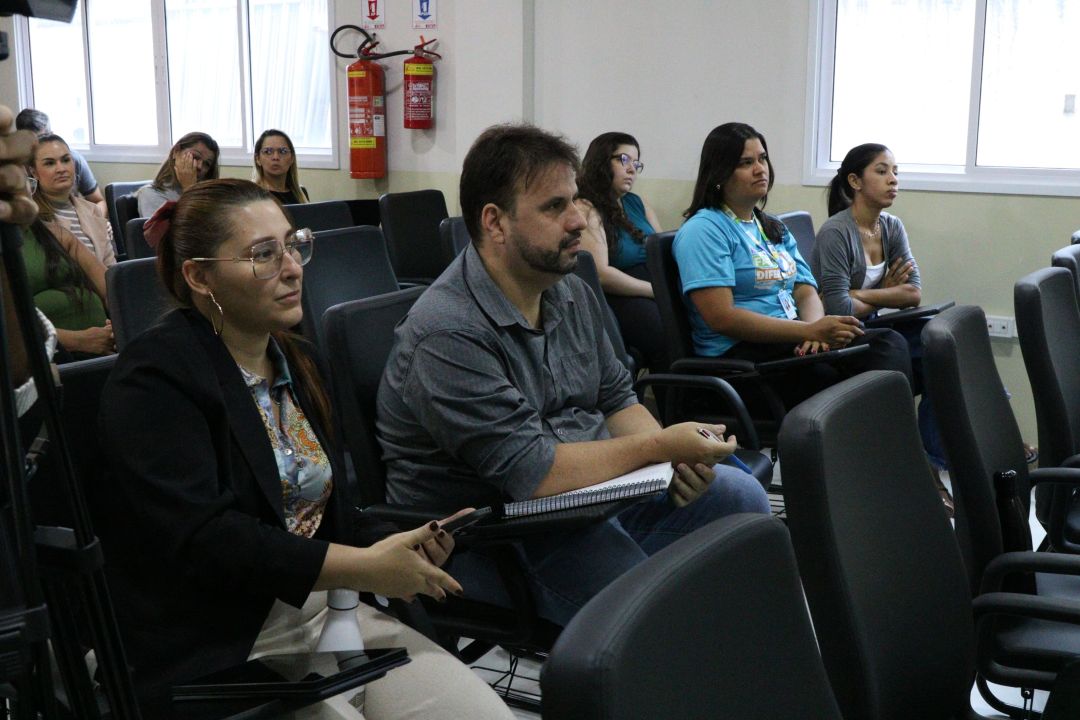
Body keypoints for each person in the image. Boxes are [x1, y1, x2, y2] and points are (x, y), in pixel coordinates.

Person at [96, 179, 513, 718]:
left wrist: (396, 541)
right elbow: (209, 540)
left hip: (325, 609)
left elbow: (318, 514)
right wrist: (362, 567)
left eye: (293, 244)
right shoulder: (154, 380)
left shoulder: (298, 360)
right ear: (200, 276)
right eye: (263, 254)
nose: (292, 267)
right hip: (222, 636)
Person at [377, 124, 770, 627]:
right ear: (495, 222)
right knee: (649, 618)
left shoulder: (567, 289)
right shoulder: (446, 332)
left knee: (740, 497)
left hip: (587, 498)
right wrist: (660, 449)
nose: (577, 222)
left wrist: (676, 466)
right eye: (553, 207)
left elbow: (617, 399)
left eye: (575, 202)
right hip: (499, 532)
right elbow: (535, 474)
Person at [674, 122, 911, 411]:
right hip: (742, 361)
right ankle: (866, 451)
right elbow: (721, 317)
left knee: (888, 345)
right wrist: (806, 332)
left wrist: (813, 329)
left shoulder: (772, 226)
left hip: (792, 340)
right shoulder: (704, 229)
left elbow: (805, 289)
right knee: (839, 380)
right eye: (746, 163)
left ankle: (887, 448)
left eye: (762, 158)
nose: (761, 169)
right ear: (719, 173)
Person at [814, 143, 953, 514]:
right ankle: (917, 467)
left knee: (943, 343)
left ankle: (940, 455)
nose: (893, 180)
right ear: (855, 181)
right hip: (845, 335)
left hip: (875, 324)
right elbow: (838, 308)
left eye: (895, 172)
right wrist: (880, 292)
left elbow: (913, 293)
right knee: (896, 346)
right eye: (882, 171)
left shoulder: (892, 227)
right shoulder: (835, 232)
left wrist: (865, 293)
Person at [575, 131, 666, 371]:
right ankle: (674, 405)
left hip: (652, 291)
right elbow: (600, 274)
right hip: (619, 297)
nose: (632, 169)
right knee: (665, 334)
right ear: (602, 162)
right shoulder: (586, 207)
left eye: (636, 164)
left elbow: (662, 251)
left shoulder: (637, 203)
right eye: (624, 160)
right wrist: (655, 290)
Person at [23, 218, 113, 361]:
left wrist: (119, 326)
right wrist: (80, 341)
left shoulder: (54, 232)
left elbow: (112, 289)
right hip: (49, 360)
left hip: (108, 346)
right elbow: (11, 331)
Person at [30, 133, 116, 267]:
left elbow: (112, 268)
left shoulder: (93, 210)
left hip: (105, 285)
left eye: (65, 160)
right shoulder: (31, 216)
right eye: (50, 163)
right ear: (34, 172)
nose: (61, 169)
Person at [15, 107, 106, 209]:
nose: (61, 169)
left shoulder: (73, 159)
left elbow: (98, 201)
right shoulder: (13, 168)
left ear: (52, 135)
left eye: (44, 138)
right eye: (49, 163)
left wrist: (95, 222)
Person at [135, 131, 219, 217]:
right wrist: (189, 188)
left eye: (207, 164)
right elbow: (190, 229)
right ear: (176, 152)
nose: (200, 166)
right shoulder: (151, 194)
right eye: (195, 157)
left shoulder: (207, 197)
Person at [253, 129, 309, 204]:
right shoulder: (250, 194)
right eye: (268, 151)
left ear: (292, 158)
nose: (276, 157)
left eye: (283, 151)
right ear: (258, 159)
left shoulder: (301, 193)